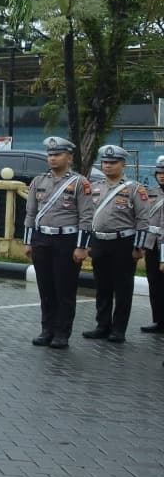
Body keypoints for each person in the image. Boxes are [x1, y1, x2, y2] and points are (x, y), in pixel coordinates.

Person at [22, 136, 92, 348]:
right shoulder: (38, 181)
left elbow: (86, 216)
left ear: (69, 157)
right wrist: (28, 242)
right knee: (46, 288)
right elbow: (30, 213)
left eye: (57, 154)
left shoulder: (80, 182)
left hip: (67, 240)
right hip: (42, 239)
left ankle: (62, 333)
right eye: (50, 155)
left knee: (65, 289)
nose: (52, 158)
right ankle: (47, 329)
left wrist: (81, 246)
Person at [80, 144, 151, 343]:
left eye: (113, 162)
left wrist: (139, 247)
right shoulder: (95, 187)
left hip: (123, 243)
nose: (108, 166)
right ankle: (102, 326)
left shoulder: (134, 189)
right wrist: (88, 243)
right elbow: (88, 217)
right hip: (100, 242)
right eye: (105, 162)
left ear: (123, 164)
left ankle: (119, 329)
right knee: (102, 287)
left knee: (122, 288)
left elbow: (143, 219)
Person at [143, 156, 164, 335]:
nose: (162, 176)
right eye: (159, 173)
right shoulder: (151, 192)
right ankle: (158, 320)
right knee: (154, 284)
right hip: (152, 244)